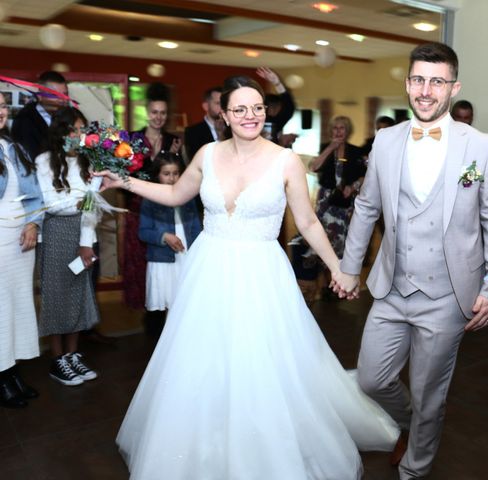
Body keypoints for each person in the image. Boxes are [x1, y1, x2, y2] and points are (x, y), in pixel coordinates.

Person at [99, 75, 399, 479]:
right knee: (204, 358)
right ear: (223, 115)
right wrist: (125, 181)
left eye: (257, 107)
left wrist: (338, 267)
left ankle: (264, 444)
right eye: (239, 109)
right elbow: (174, 195)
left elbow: (308, 222)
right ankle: (206, 439)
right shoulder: (206, 154)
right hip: (210, 270)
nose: (250, 115)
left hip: (261, 272)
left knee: (261, 358)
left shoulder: (285, 160)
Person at [335, 42, 488, 479]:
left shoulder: (481, 145)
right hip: (392, 287)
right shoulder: (387, 139)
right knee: (372, 380)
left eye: (437, 81)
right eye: (418, 79)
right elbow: (367, 207)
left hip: (449, 294)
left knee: (431, 392)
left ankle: (415, 468)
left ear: (454, 87)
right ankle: (414, 424)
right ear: (407, 83)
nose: (426, 90)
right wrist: (349, 266)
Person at [35, 107, 100, 386]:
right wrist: (77, 202)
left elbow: (92, 206)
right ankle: (57, 359)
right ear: (60, 131)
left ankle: (73, 354)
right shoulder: (44, 161)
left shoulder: (88, 162)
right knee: (57, 295)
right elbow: (49, 203)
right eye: (73, 129)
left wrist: (86, 243)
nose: (78, 135)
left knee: (79, 293)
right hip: (55, 231)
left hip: (82, 231)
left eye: (82, 129)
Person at [122, 82, 183, 311]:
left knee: (162, 261)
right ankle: (147, 308)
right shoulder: (133, 139)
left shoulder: (172, 141)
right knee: (139, 263)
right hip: (139, 209)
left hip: (164, 210)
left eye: (163, 113)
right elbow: (124, 176)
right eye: (155, 112)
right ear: (147, 113)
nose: (159, 117)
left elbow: (178, 176)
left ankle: (162, 309)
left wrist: (174, 157)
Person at [0, 97, 43, 408]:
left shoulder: (14, 148)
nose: (1, 111)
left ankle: (11, 371)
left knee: (18, 306)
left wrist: (34, 225)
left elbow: (35, 194)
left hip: (21, 239)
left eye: (3, 105)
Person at [138, 152, 201, 337]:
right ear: (157, 174)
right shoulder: (150, 199)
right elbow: (143, 232)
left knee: (184, 306)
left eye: (176, 173)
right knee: (164, 308)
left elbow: (197, 230)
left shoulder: (188, 198)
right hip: (163, 261)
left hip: (185, 258)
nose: (172, 178)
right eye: (166, 174)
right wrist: (164, 236)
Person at [309, 116, 366, 282]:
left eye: (342, 128)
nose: (338, 131)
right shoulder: (324, 148)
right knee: (322, 238)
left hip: (345, 202)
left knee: (341, 240)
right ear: (331, 131)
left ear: (348, 131)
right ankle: (325, 280)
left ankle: (336, 279)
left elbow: (365, 175)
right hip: (325, 201)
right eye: (335, 128)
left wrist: (353, 186)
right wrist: (331, 148)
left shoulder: (356, 151)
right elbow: (313, 167)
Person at [11, 71, 69, 161]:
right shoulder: (25, 120)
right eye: (55, 95)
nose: (62, 100)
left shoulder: (67, 116)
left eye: (65, 94)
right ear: (40, 96)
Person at [256, 67, 297, 146]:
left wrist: (277, 83)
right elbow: (289, 106)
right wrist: (277, 83)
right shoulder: (272, 122)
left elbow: (288, 106)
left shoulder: (272, 123)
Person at [183, 86, 224, 162]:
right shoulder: (193, 132)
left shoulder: (232, 128)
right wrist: (220, 138)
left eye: (224, 104)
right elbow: (197, 160)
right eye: (218, 103)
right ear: (206, 106)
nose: (222, 108)